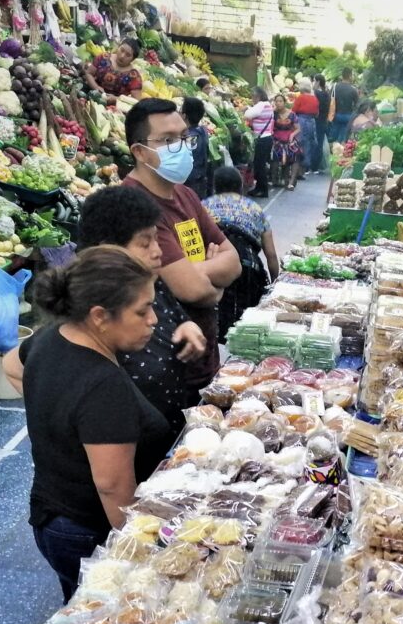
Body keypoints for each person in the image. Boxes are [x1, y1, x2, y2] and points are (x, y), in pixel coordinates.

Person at [1, 248, 170, 602]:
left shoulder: (52, 336)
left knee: (75, 604)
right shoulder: (102, 384)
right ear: (99, 316)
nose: (153, 319)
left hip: (51, 516)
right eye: (142, 310)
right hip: (87, 529)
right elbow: (112, 487)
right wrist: (142, 558)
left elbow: (11, 366)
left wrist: (57, 422)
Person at [123, 98, 241, 397]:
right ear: (139, 152)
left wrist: (193, 273)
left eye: (184, 137)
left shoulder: (185, 195)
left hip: (204, 354)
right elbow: (194, 291)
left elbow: (233, 261)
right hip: (165, 365)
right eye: (168, 140)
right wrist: (215, 288)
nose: (182, 146)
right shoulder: (135, 206)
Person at [77, 184, 207, 434]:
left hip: (169, 429)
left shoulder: (151, 282)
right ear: (108, 251)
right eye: (145, 244)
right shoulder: (89, 311)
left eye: (157, 239)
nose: (158, 252)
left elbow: (179, 318)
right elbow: (20, 366)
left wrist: (188, 326)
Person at [203, 166, 279, 337]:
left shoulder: (202, 206)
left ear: (215, 187)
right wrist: (275, 287)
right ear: (241, 186)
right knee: (247, 324)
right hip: (248, 268)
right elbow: (271, 255)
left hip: (213, 265)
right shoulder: (255, 209)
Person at [244, 87, 275, 198]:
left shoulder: (261, 105)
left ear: (258, 96)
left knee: (259, 165)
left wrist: (246, 109)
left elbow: (247, 115)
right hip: (267, 138)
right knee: (259, 165)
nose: (252, 99)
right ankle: (259, 188)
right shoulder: (268, 105)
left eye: (253, 96)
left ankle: (263, 190)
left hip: (262, 139)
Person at [181, 96, 211, 199]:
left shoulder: (191, 136)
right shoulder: (202, 130)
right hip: (200, 178)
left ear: (184, 116)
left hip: (191, 181)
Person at [271, 93, 301, 191]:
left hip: (289, 138)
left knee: (295, 155)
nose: (278, 103)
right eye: (276, 101)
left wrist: (292, 135)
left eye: (280, 101)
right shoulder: (273, 114)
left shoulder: (292, 114)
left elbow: (298, 129)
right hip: (277, 139)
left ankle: (292, 182)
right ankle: (276, 179)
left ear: (284, 102)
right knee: (275, 157)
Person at [291, 78, 319, 176]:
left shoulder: (301, 98)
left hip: (301, 120)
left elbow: (293, 111)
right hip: (311, 122)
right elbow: (316, 113)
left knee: (300, 142)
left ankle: (301, 166)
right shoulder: (314, 98)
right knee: (310, 143)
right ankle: (308, 165)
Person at [328, 67, 358, 144]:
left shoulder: (334, 87)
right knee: (344, 140)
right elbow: (357, 105)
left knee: (333, 137)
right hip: (348, 116)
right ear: (350, 76)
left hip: (335, 115)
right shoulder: (353, 90)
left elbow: (329, 100)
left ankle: (332, 151)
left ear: (342, 75)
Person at [313, 74, 330, 173]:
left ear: (318, 82)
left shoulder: (316, 93)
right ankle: (318, 166)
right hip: (324, 120)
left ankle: (313, 166)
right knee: (320, 144)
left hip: (317, 120)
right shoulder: (326, 93)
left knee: (316, 144)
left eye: (314, 81)